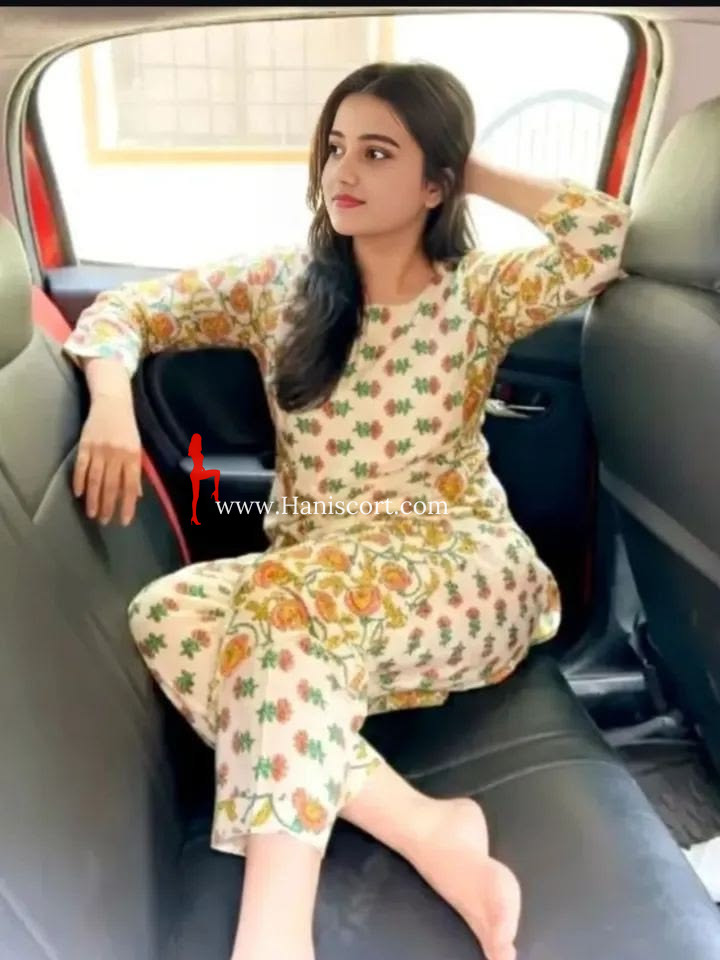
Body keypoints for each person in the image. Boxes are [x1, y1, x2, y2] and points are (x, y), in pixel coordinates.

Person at [62, 60, 631, 960]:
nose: (343, 173)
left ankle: (273, 936)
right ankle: (424, 826)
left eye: (378, 153)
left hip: (464, 570)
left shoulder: (478, 293)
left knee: (283, 607)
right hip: (321, 583)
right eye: (335, 147)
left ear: (435, 183)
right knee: (166, 613)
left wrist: (467, 164)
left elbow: (603, 238)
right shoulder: (280, 289)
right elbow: (124, 312)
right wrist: (110, 406)